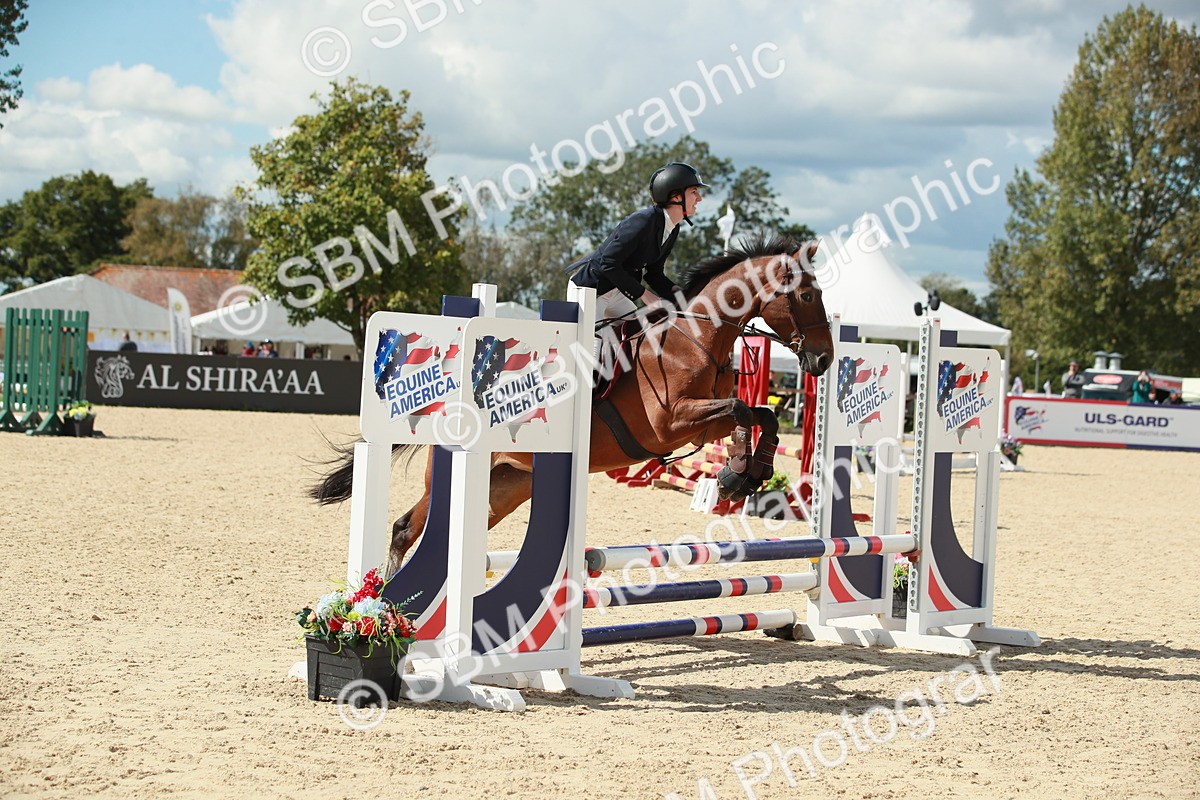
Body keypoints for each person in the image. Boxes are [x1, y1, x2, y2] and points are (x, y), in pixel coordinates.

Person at [566, 162, 708, 323]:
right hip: (590, 290)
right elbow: (609, 262)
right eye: (694, 192)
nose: (699, 198)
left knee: (638, 335)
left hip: (617, 292)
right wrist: (645, 295)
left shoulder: (672, 229)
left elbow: (654, 274)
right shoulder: (643, 220)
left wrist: (679, 293)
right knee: (594, 347)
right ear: (675, 196)